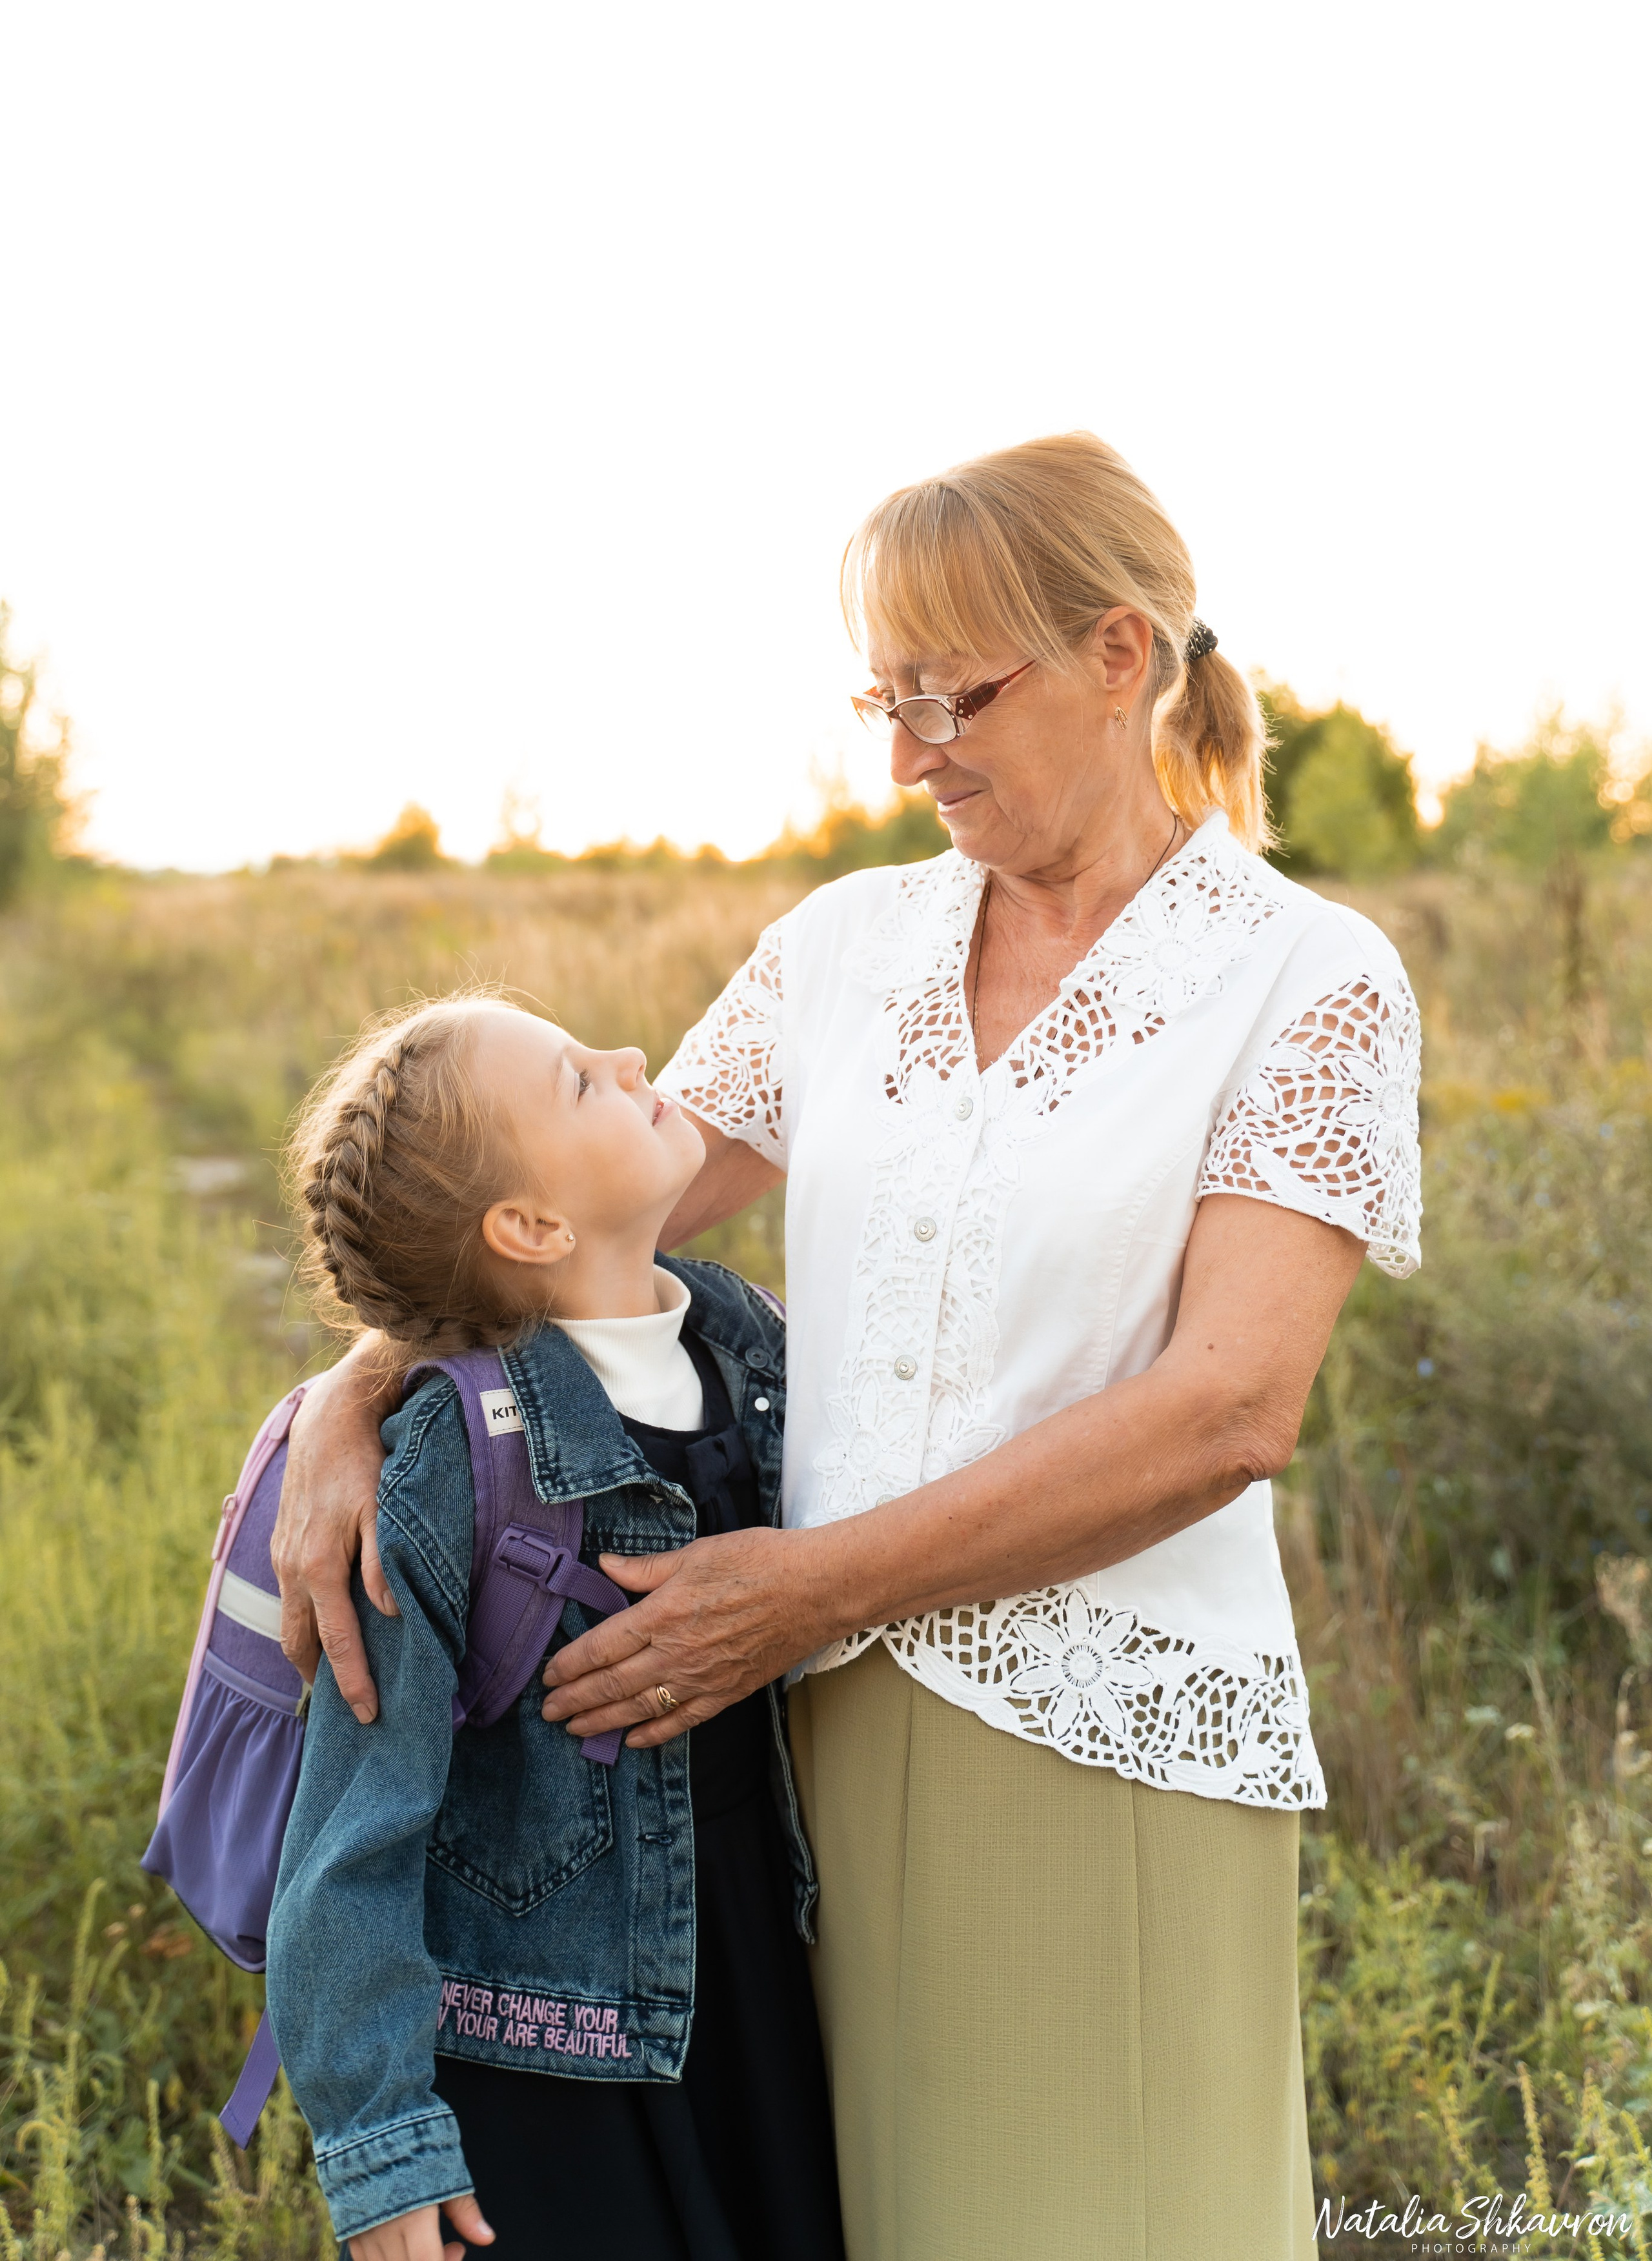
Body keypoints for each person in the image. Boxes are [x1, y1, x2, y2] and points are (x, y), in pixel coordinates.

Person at [276, 434, 1422, 2260]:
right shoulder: (845, 948)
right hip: (798, 1764)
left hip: (1104, 1737)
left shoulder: (1310, 979)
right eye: (880, 702)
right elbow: (573, 1226)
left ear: (1121, 654)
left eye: (951, 696)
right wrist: (347, 1394)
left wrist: (808, 1588)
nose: (905, 758)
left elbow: (1232, 1411)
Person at [264, 994, 843, 2261]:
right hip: (548, 2047)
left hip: (749, 1973)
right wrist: (382, 2151)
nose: (635, 1060)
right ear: (529, 1226)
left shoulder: (747, 1342)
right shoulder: (442, 1467)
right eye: (582, 1082)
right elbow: (350, 1838)